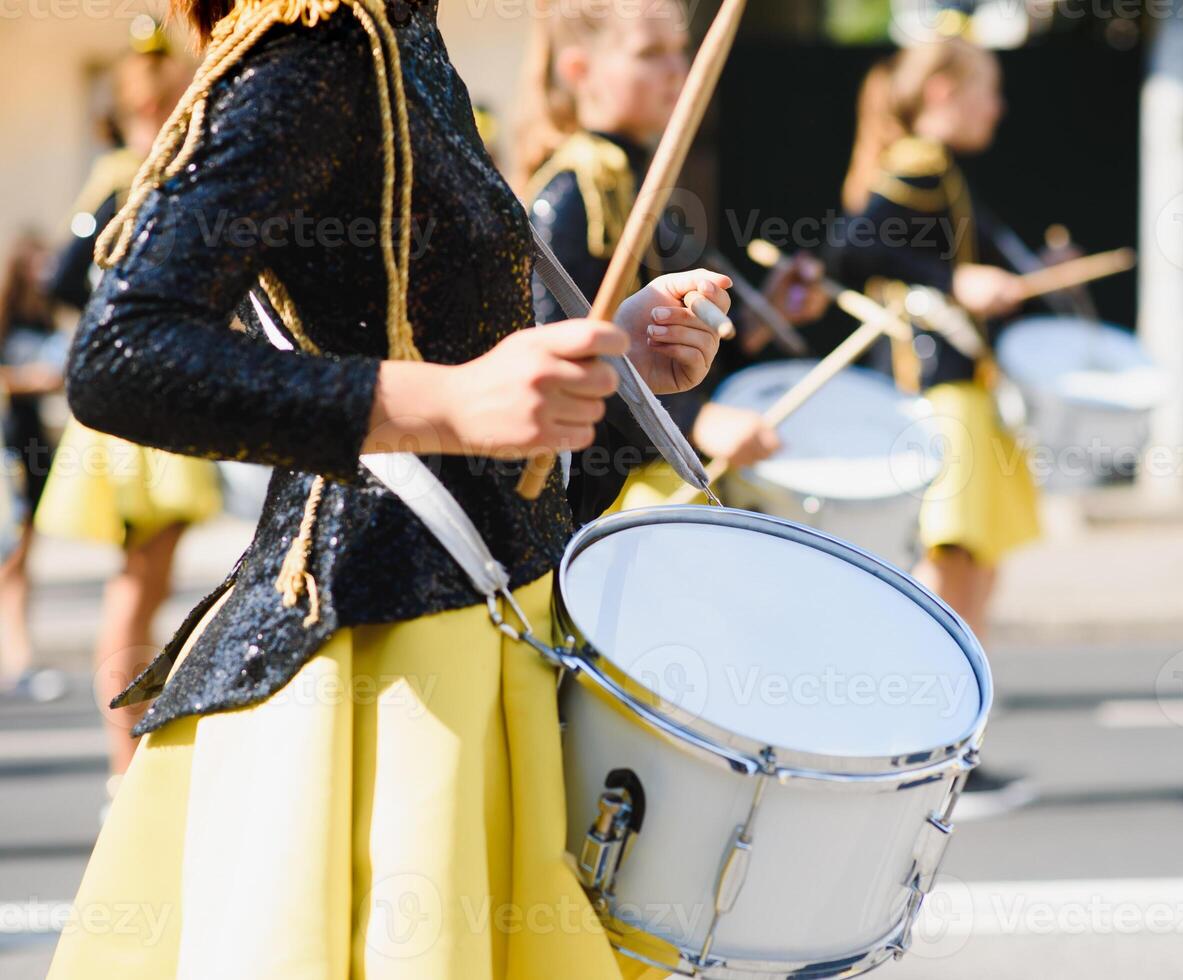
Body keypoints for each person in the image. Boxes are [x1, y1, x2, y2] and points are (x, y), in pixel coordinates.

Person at [44, 0, 729, 976]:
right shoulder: (315, 46)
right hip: (379, 669)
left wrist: (607, 365)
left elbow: (436, 348)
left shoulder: (408, 31)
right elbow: (120, 354)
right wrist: (448, 400)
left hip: (489, 629)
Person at [517, 0, 824, 510]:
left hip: (660, 481)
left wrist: (758, 320)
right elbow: (559, 362)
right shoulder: (573, 195)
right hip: (604, 506)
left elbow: (657, 343)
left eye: (680, 50)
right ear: (580, 71)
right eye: (650, 53)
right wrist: (696, 419)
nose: (677, 69)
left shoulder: (636, 185)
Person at [35, 38, 223, 783]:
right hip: (141, 409)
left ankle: (130, 755)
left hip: (144, 398)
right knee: (137, 589)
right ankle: (125, 762)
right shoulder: (130, 175)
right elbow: (63, 278)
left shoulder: (133, 172)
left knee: (142, 586)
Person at [833, 39, 1041, 640]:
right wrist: (955, 280)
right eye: (989, 91)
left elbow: (991, 253)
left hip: (959, 384)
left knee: (976, 553)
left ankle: (954, 690)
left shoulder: (938, 167)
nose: (997, 108)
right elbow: (852, 248)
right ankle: (927, 684)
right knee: (951, 553)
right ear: (944, 91)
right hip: (935, 387)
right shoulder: (919, 160)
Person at [0, 232, 67, 700]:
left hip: (33, 448)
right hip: (6, 451)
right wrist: (26, 381)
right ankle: (18, 658)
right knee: (11, 558)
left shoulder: (46, 323)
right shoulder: (6, 323)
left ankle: (19, 658)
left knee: (21, 558)